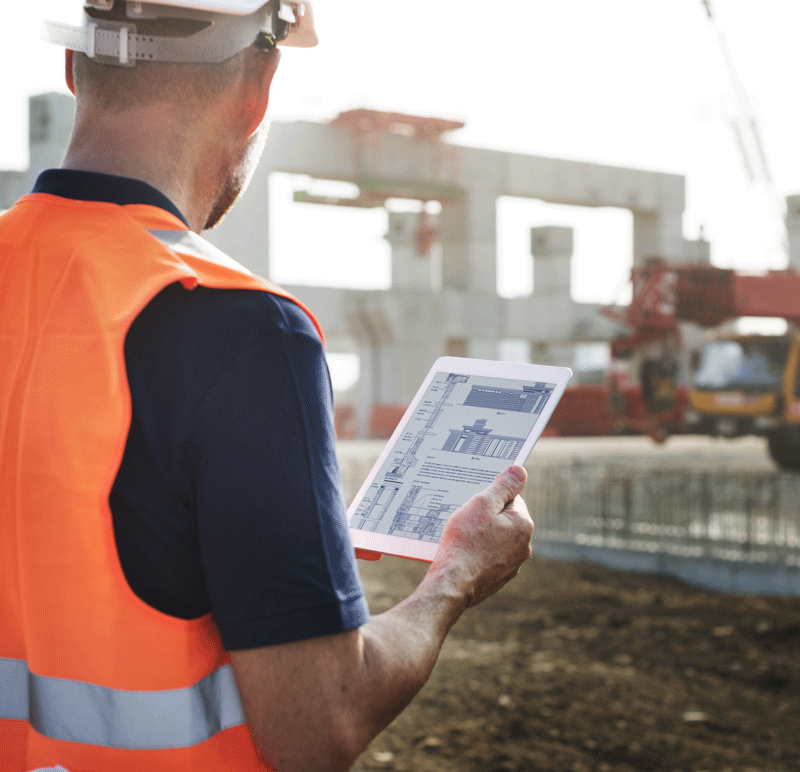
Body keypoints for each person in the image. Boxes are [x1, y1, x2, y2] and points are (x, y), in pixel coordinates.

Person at [0, 2, 535, 770]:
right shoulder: (241, 329)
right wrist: (455, 574)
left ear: (73, 66)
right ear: (259, 86)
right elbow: (317, 725)